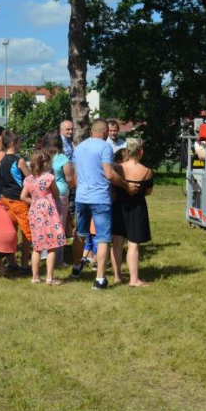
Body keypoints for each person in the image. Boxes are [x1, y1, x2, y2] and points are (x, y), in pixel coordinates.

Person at [71, 119, 140, 290]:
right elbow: (109, 174)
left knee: (80, 233)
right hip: (100, 198)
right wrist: (126, 185)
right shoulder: (105, 147)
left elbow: (75, 176)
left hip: (81, 197)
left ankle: (76, 268)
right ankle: (100, 279)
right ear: (104, 131)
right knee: (102, 238)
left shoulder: (79, 147)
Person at [111, 138, 153, 287]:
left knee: (117, 243)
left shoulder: (117, 168)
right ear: (141, 151)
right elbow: (148, 192)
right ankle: (134, 279)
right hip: (137, 208)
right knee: (133, 244)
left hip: (119, 206)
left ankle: (117, 276)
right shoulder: (147, 171)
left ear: (127, 151)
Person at [21, 150, 66, 285]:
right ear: (45, 163)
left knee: (37, 246)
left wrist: (35, 201)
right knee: (52, 245)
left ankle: (35, 277)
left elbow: (23, 197)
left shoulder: (29, 179)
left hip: (35, 212)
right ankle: (49, 278)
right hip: (49, 211)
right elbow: (56, 194)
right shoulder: (49, 177)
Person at [0, 130, 32, 269]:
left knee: (11, 232)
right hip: (19, 201)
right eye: (19, 142)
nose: (20, 145)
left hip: (6, 199)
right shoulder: (19, 161)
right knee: (27, 233)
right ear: (13, 143)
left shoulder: (2, 160)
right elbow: (30, 179)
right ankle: (24, 265)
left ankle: (12, 262)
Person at [43, 130, 74, 268]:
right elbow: (70, 179)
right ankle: (58, 260)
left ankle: (45, 254)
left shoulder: (41, 157)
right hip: (60, 194)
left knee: (46, 225)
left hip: (44, 194)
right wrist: (69, 188)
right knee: (59, 226)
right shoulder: (62, 158)